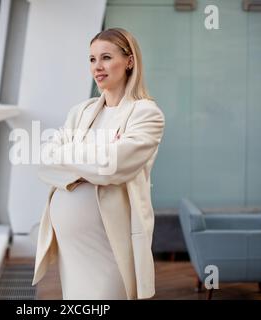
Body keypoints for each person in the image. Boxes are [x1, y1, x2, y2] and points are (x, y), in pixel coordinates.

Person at [32, 28, 165, 300]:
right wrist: (89, 160)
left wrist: (69, 154)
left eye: (106, 57)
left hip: (111, 245)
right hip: (72, 248)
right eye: (92, 59)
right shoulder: (81, 111)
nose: (97, 67)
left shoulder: (147, 113)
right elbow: (44, 161)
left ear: (129, 62)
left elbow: (111, 167)